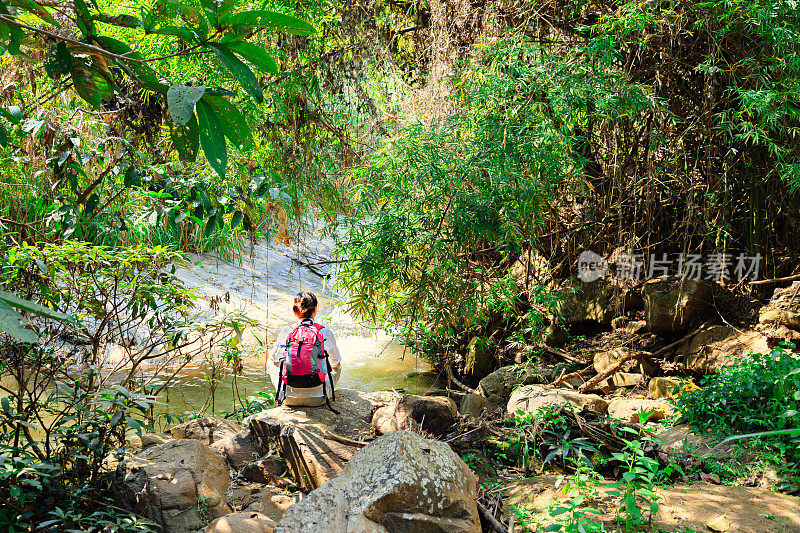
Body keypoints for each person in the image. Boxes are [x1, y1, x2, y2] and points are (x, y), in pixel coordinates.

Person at [268, 291, 341, 407]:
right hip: (319, 398)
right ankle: (321, 390)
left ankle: (282, 394)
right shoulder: (325, 332)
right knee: (337, 366)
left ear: (294, 311)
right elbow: (336, 364)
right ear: (315, 309)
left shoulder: (287, 331)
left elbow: (275, 361)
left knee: (271, 360)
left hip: (290, 398)